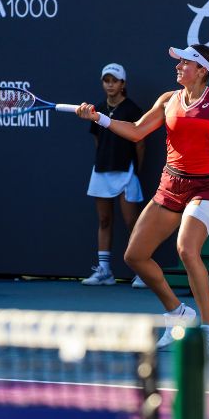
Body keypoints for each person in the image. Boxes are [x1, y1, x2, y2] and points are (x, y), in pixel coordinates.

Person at [74, 44, 209, 353]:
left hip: (205, 188)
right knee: (135, 256)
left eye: (185, 63)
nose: (178, 66)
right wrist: (99, 118)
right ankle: (178, 313)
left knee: (186, 249)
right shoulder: (168, 100)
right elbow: (138, 131)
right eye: (178, 62)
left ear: (202, 70)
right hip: (171, 185)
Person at [81, 63, 148, 289]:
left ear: (123, 84)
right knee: (104, 220)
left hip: (126, 172)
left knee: (132, 222)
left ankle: (142, 271)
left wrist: (135, 169)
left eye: (114, 81)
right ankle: (105, 271)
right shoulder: (97, 109)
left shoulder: (132, 110)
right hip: (101, 170)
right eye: (106, 80)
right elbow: (98, 141)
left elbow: (139, 143)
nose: (110, 84)